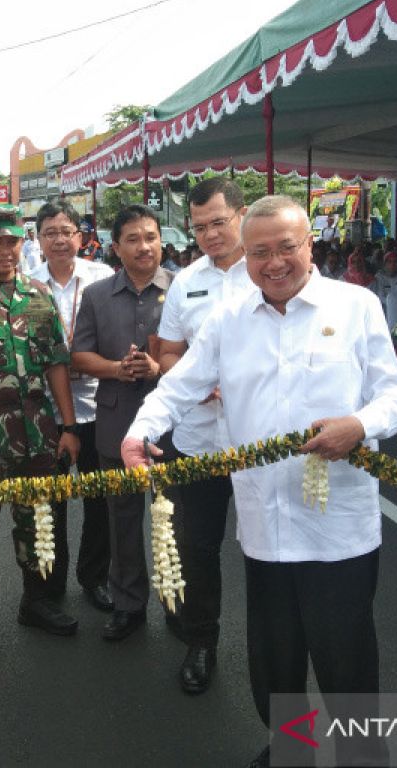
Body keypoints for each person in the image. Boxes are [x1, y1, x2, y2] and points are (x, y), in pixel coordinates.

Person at [121, 195, 397, 768]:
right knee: (276, 664)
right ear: (245, 255)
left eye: (287, 247)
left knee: (346, 661)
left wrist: (359, 425)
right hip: (266, 525)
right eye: (261, 252)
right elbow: (179, 386)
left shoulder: (355, 306)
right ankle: (292, 750)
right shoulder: (229, 320)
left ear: (310, 246)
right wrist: (140, 432)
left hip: (339, 531)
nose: (274, 262)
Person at [0, 206, 81, 655]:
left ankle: (37, 601)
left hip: (39, 434)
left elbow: (56, 365)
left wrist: (68, 426)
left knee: (36, 519)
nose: (6, 251)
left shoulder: (39, 295)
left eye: (13, 242)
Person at [156, 177, 254, 694]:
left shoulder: (269, 271)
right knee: (196, 547)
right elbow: (167, 352)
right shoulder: (185, 281)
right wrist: (194, 381)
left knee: (268, 547)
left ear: (240, 213)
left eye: (219, 222)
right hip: (197, 438)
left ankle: (275, 649)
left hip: (262, 443)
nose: (211, 235)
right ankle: (201, 641)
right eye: (199, 227)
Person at [71, 204, 173, 642]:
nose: (144, 246)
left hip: (175, 426)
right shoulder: (96, 296)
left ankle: (179, 605)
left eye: (150, 237)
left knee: (177, 523)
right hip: (116, 423)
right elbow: (78, 355)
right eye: (132, 239)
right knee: (123, 522)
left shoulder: (185, 291)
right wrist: (117, 369)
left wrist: (160, 368)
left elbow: (205, 355)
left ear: (161, 241)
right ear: (116, 248)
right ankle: (129, 605)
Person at [28, 200, 116, 615]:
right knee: (51, 501)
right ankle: (50, 584)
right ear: (39, 239)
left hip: (100, 406)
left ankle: (95, 577)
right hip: (48, 412)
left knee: (101, 501)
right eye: (51, 233)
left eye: (67, 231)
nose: (60, 239)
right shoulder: (27, 286)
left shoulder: (103, 277)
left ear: (80, 237)